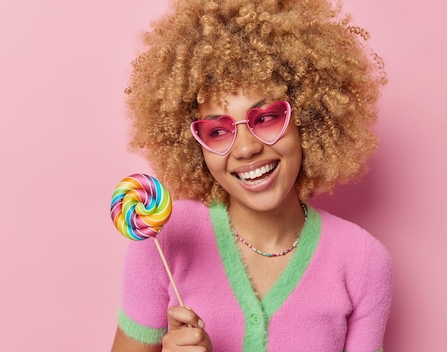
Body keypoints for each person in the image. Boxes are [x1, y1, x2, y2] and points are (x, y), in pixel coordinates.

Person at [110, 0, 393, 351]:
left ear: (308, 119)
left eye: (265, 118)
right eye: (216, 131)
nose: (245, 149)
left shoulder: (363, 261)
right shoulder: (164, 238)